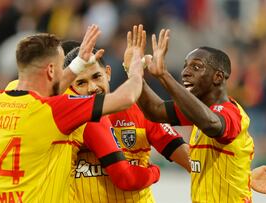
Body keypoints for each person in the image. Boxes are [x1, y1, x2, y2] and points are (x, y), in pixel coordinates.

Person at [0, 25, 159, 202]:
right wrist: (135, 70)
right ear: (50, 70)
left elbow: (46, 91)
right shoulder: (55, 110)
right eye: (60, 67)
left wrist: (78, 63)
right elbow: (126, 98)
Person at [136, 29, 266, 202]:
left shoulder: (232, 113)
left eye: (196, 67)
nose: (185, 72)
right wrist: (134, 72)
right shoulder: (196, 111)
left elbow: (212, 125)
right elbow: (154, 110)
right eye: (185, 66)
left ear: (217, 77)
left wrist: (164, 76)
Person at [63, 24, 190, 203]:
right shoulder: (66, 122)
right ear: (70, 87)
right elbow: (126, 178)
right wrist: (154, 172)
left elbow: (189, 160)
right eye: (81, 83)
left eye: (96, 77)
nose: (92, 88)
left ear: (108, 73)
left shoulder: (140, 112)